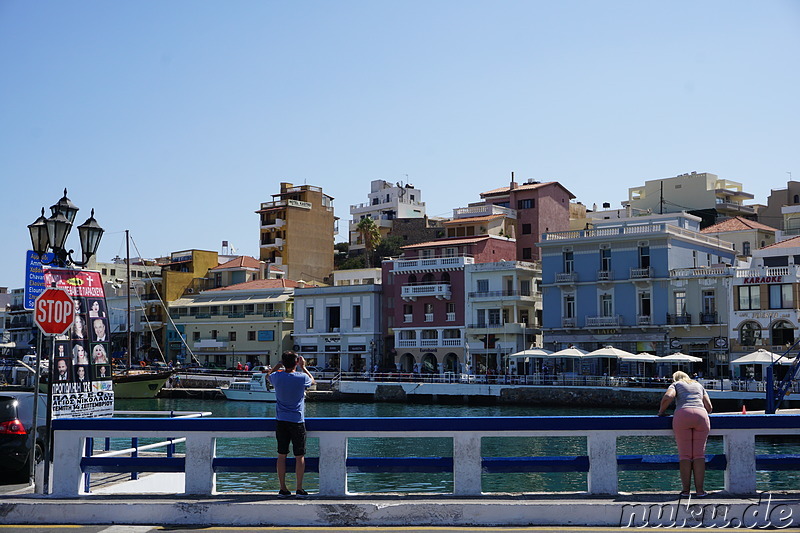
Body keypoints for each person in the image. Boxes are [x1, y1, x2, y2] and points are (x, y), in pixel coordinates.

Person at [658, 370, 713, 498]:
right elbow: (709, 407)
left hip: (682, 415)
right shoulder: (699, 385)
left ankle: (685, 491)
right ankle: (700, 491)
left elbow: (668, 397)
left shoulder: (676, 384)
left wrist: (661, 412)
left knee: (685, 456)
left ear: (675, 378)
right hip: (701, 415)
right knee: (699, 455)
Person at [268, 351, 316, 498]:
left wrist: (277, 366)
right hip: (297, 421)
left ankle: (283, 488)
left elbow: (267, 376)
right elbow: (312, 381)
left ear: (283, 362)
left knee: (281, 455)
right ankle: (299, 488)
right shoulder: (301, 377)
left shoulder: (277, 376)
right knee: (299, 456)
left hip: (281, 421)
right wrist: (304, 367)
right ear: (296, 362)